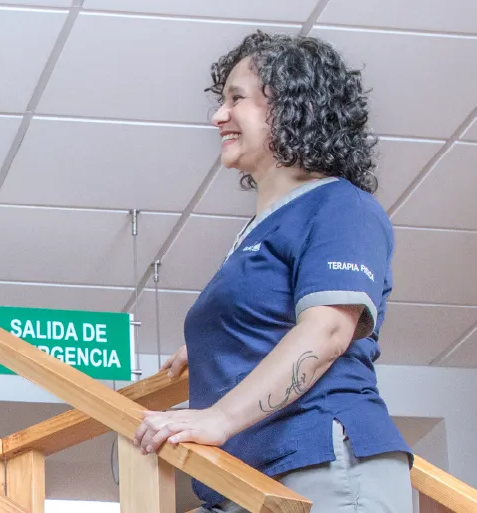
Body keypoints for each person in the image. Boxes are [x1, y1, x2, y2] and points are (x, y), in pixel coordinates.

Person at [131, 32, 413, 512]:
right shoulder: (258, 230)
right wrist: (212, 343)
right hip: (247, 479)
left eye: (236, 99)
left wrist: (217, 418)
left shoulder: (341, 205)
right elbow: (269, 311)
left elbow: (326, 331)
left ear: (290, 108)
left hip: (320, 463)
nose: (218, 116)